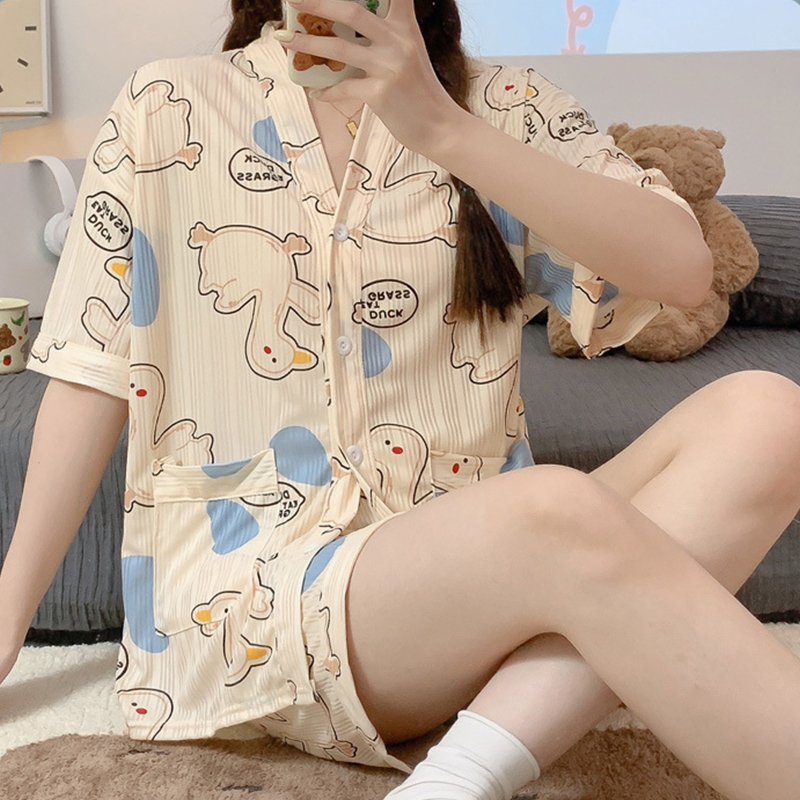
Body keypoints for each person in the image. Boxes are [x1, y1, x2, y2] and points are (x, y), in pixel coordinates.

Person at [2, 0, 800, 798]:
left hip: (475, 589)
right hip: (253, 604)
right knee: (553, 510)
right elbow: (91, 371)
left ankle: (457, 775)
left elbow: (683, 271)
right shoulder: (166, 103)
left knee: (768, 416)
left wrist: (445, 130)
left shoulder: (505, 106)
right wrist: (8, 618)